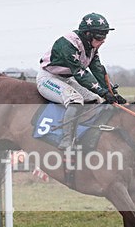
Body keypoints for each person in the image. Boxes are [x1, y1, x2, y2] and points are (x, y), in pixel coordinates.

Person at [37, 12, 126, 150]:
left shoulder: (92, 47)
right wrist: (103, 92)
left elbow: (97, 70)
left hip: (67, 79)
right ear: (87, 34)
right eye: (100, 36)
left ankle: (86, 134)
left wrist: (111, 92)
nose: (103, 40)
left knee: (95, 99)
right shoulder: (68, 43)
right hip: (48, 78)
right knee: (75, 99)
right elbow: (80, 73)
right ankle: (66, 140)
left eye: (105, 36)